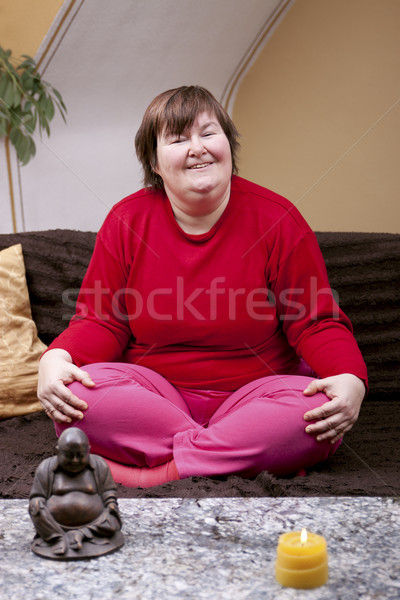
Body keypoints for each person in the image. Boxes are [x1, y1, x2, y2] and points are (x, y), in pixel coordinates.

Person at [37, 85, 367, 488]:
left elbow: (315, 321)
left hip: (256, 394)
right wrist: (57, 359)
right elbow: (103, 321)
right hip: (153, 396)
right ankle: (226, 454)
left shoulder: (279, 218)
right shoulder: (126, 221)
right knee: (77, 398)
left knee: (318, 410)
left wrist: (350, 378)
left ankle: (156, 472)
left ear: (229, 146)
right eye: (178, 139)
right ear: (154, 163)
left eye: (209, 133)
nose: (198, 148)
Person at [29, 427, 122, 557]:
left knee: (113, 520)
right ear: (58, 452)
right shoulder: (46, 467)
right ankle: (57, 538)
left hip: (95, 523)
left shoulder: (99, 465)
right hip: (54, 525)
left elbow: (108, 491)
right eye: (68, 455)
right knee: (35, 508)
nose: (75, 460)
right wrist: (37, 500)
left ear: (88, 451)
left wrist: (111, 504)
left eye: (80, 455)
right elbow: (37, 495)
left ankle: (81, 534)